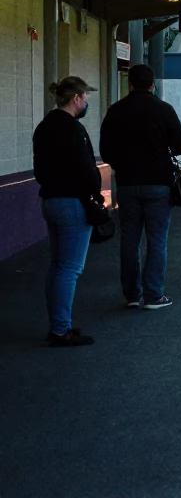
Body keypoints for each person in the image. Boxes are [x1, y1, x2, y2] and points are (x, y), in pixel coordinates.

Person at [100, 64, 181, 310]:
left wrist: (122, 163)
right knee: (157, 239)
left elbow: (106, 150)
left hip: (127, 184)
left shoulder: (116, 111)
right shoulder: (164, 110)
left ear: (129, 84)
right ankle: (153, 295)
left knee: (129, 240)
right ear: (152, 85)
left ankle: (131, 295)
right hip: (159, 183)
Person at [33, 76, 102, 347]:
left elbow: (40, 169)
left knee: (57, 266)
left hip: (50, 200)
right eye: (86, 98)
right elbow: (86, 169)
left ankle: (58, 324)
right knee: (70, 268)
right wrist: (96, 196)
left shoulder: (44, 126)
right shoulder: (74, 129)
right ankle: (61, 329)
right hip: (73, 203)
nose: (86, 103)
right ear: (76, 98)